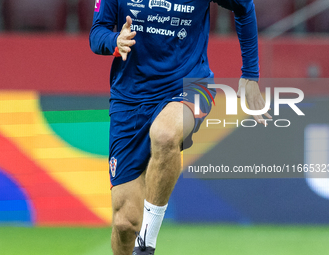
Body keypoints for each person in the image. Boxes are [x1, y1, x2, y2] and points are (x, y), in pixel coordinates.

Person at [90, 0, 271, 254]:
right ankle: (137, 239)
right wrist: (114, 41)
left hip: (191, 85)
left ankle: (146, 245)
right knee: (125, 224)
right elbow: (96, 33)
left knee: (164, 135)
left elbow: (244, 5)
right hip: (130, 98)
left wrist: (250, 74)